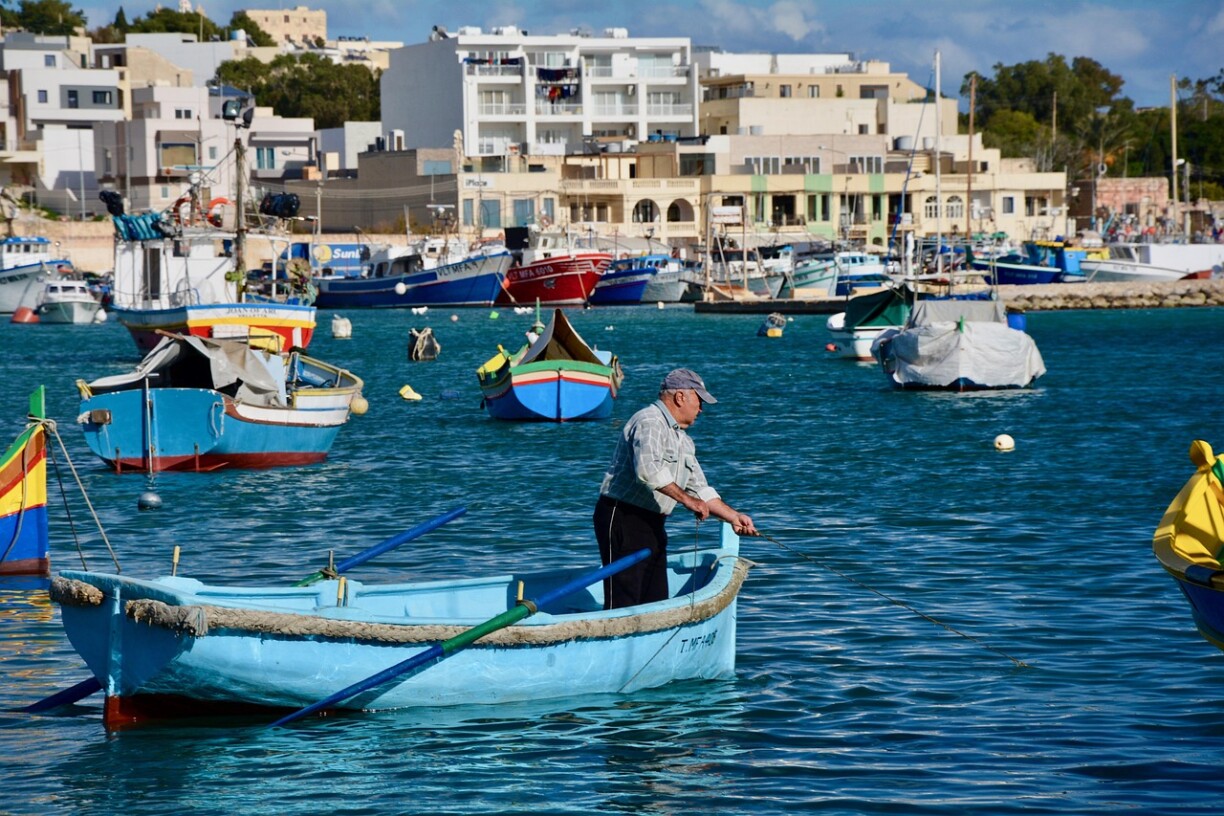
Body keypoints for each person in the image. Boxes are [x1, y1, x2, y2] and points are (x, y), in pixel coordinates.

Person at [594, 368, 757, 610]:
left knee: (655, 598)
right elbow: (647, 471)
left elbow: (701, 489)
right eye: (699, 401)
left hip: (653, 522)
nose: (701, 409)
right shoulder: (649, 421)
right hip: (623, 517)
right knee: (625, 599)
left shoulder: (682, 440)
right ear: (681, 397)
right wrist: (688, 502)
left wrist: (734, 517)